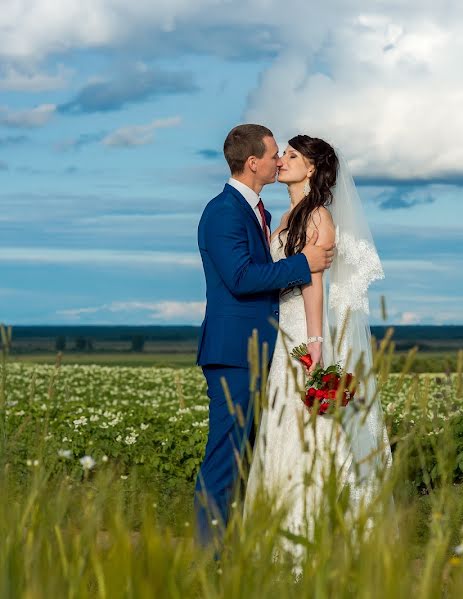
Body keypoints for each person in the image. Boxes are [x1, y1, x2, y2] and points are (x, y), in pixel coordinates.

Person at [244, 134, 392, 565]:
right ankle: (280, 534)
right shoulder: (286, 214)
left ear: (311, 169)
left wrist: (315, 349)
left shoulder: (317, 216)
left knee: (311, 433)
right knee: (282, 428)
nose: (282, 161)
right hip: (283, 335)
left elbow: (314, 286)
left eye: (292, 156)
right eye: (283, 154)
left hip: (304, 334)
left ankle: (306, 539)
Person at [194, 124, 335, 546]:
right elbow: (239, 278)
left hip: (263, 353)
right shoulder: (223, 212)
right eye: (275, 154)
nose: (279, 161)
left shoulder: (260, 213)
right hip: (234, 355)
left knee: (251, 459)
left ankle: (239, 550)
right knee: (225, 459)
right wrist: (304, 261)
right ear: (252, 162)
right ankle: (208, 564)